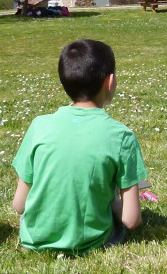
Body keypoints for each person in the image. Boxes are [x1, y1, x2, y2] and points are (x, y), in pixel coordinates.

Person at [12, 39, 147, 253]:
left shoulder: (39, 126)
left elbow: (19, 205)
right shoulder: (122, 136)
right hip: (90, 242)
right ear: (110, 82)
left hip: (34, 239)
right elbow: (131, 220)